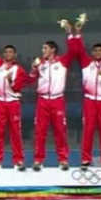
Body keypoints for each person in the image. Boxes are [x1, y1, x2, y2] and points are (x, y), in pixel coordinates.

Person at [27, 23, 75, 171]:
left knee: (60, 131)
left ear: (53, 49)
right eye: (42, 48)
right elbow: (30, 80)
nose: (43, 51)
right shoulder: (39, 63)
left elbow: (73, 50)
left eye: (45, 48)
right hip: (42, 101)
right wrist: (33, 68)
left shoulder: (63, 61)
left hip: (57, 100)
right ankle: (38, 160)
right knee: (40, 131)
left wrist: (69, 33)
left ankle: (63, 159)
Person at [0, 22, 27, 171]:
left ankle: (19, 160)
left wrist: (10, 80)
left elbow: (17, 88)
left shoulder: (19, 70)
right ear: (3, 54)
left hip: (13, 103)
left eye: (10, 52)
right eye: (6, 52)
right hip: (0, 102)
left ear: (14, 55)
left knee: (15, 132)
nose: (8, 54)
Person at [72, 20, 101, 170]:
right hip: (89, 101)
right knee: (88, 131)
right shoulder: (85, 62)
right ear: (92, 53)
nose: (97, 53)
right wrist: (78, 32)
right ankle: (85, 160)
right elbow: (79, 50)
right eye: (95, 51)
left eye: (100, 51)